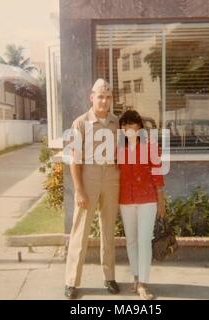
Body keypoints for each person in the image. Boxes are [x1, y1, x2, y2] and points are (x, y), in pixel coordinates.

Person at [64, 79, 120, 299]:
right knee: (80, 230)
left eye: (108, 97)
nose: (104, 101)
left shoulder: (117, 123)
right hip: (89, 177)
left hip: (112, 178)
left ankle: (109, 276)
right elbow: (73, 160)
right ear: (92, 97)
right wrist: (78, 190)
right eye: (100, 96)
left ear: (111, 99)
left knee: (108, 230)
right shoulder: (80, 123)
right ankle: (71, 281)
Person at [118, 110, 165, 300]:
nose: (127, 128)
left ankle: (144, 283)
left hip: (147, 200)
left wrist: (162, 203)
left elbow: (158, 178)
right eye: (124, 125)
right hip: (125, 201)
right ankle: (136, 278)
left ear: (139, 127)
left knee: (144, 241)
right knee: (131, 241)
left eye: (131, 124)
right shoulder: (118, 150)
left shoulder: (151, 147)